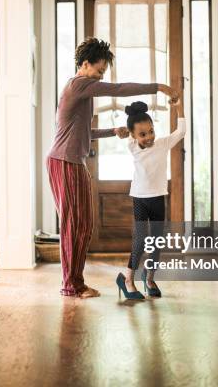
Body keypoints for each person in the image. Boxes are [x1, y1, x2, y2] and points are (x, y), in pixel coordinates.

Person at [47, 38, 179, 298]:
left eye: (102, 74)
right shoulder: (78, 84)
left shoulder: (81, 91)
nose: (100, 77)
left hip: (74, 161)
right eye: (98, 71)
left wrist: (112, 131)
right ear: (85, 65)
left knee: (84, 225)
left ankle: (77, 281)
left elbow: (84, 132)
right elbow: (118, 89)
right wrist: (158, 87)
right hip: (63, 162)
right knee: (73, 225)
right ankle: (70, 285)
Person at [115, 101, 186, 300]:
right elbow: (121, 133)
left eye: (151, 131)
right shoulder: (131, 145)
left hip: (157, 198)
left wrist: (179, 108)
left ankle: (149, 278)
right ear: (134, 136)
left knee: (156, 240)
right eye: (143, 134)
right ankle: (127, 279)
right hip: (139, 198)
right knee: (140, 239)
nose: (149, 137)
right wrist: (119, 131)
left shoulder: (163, 143)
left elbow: (181, 131)